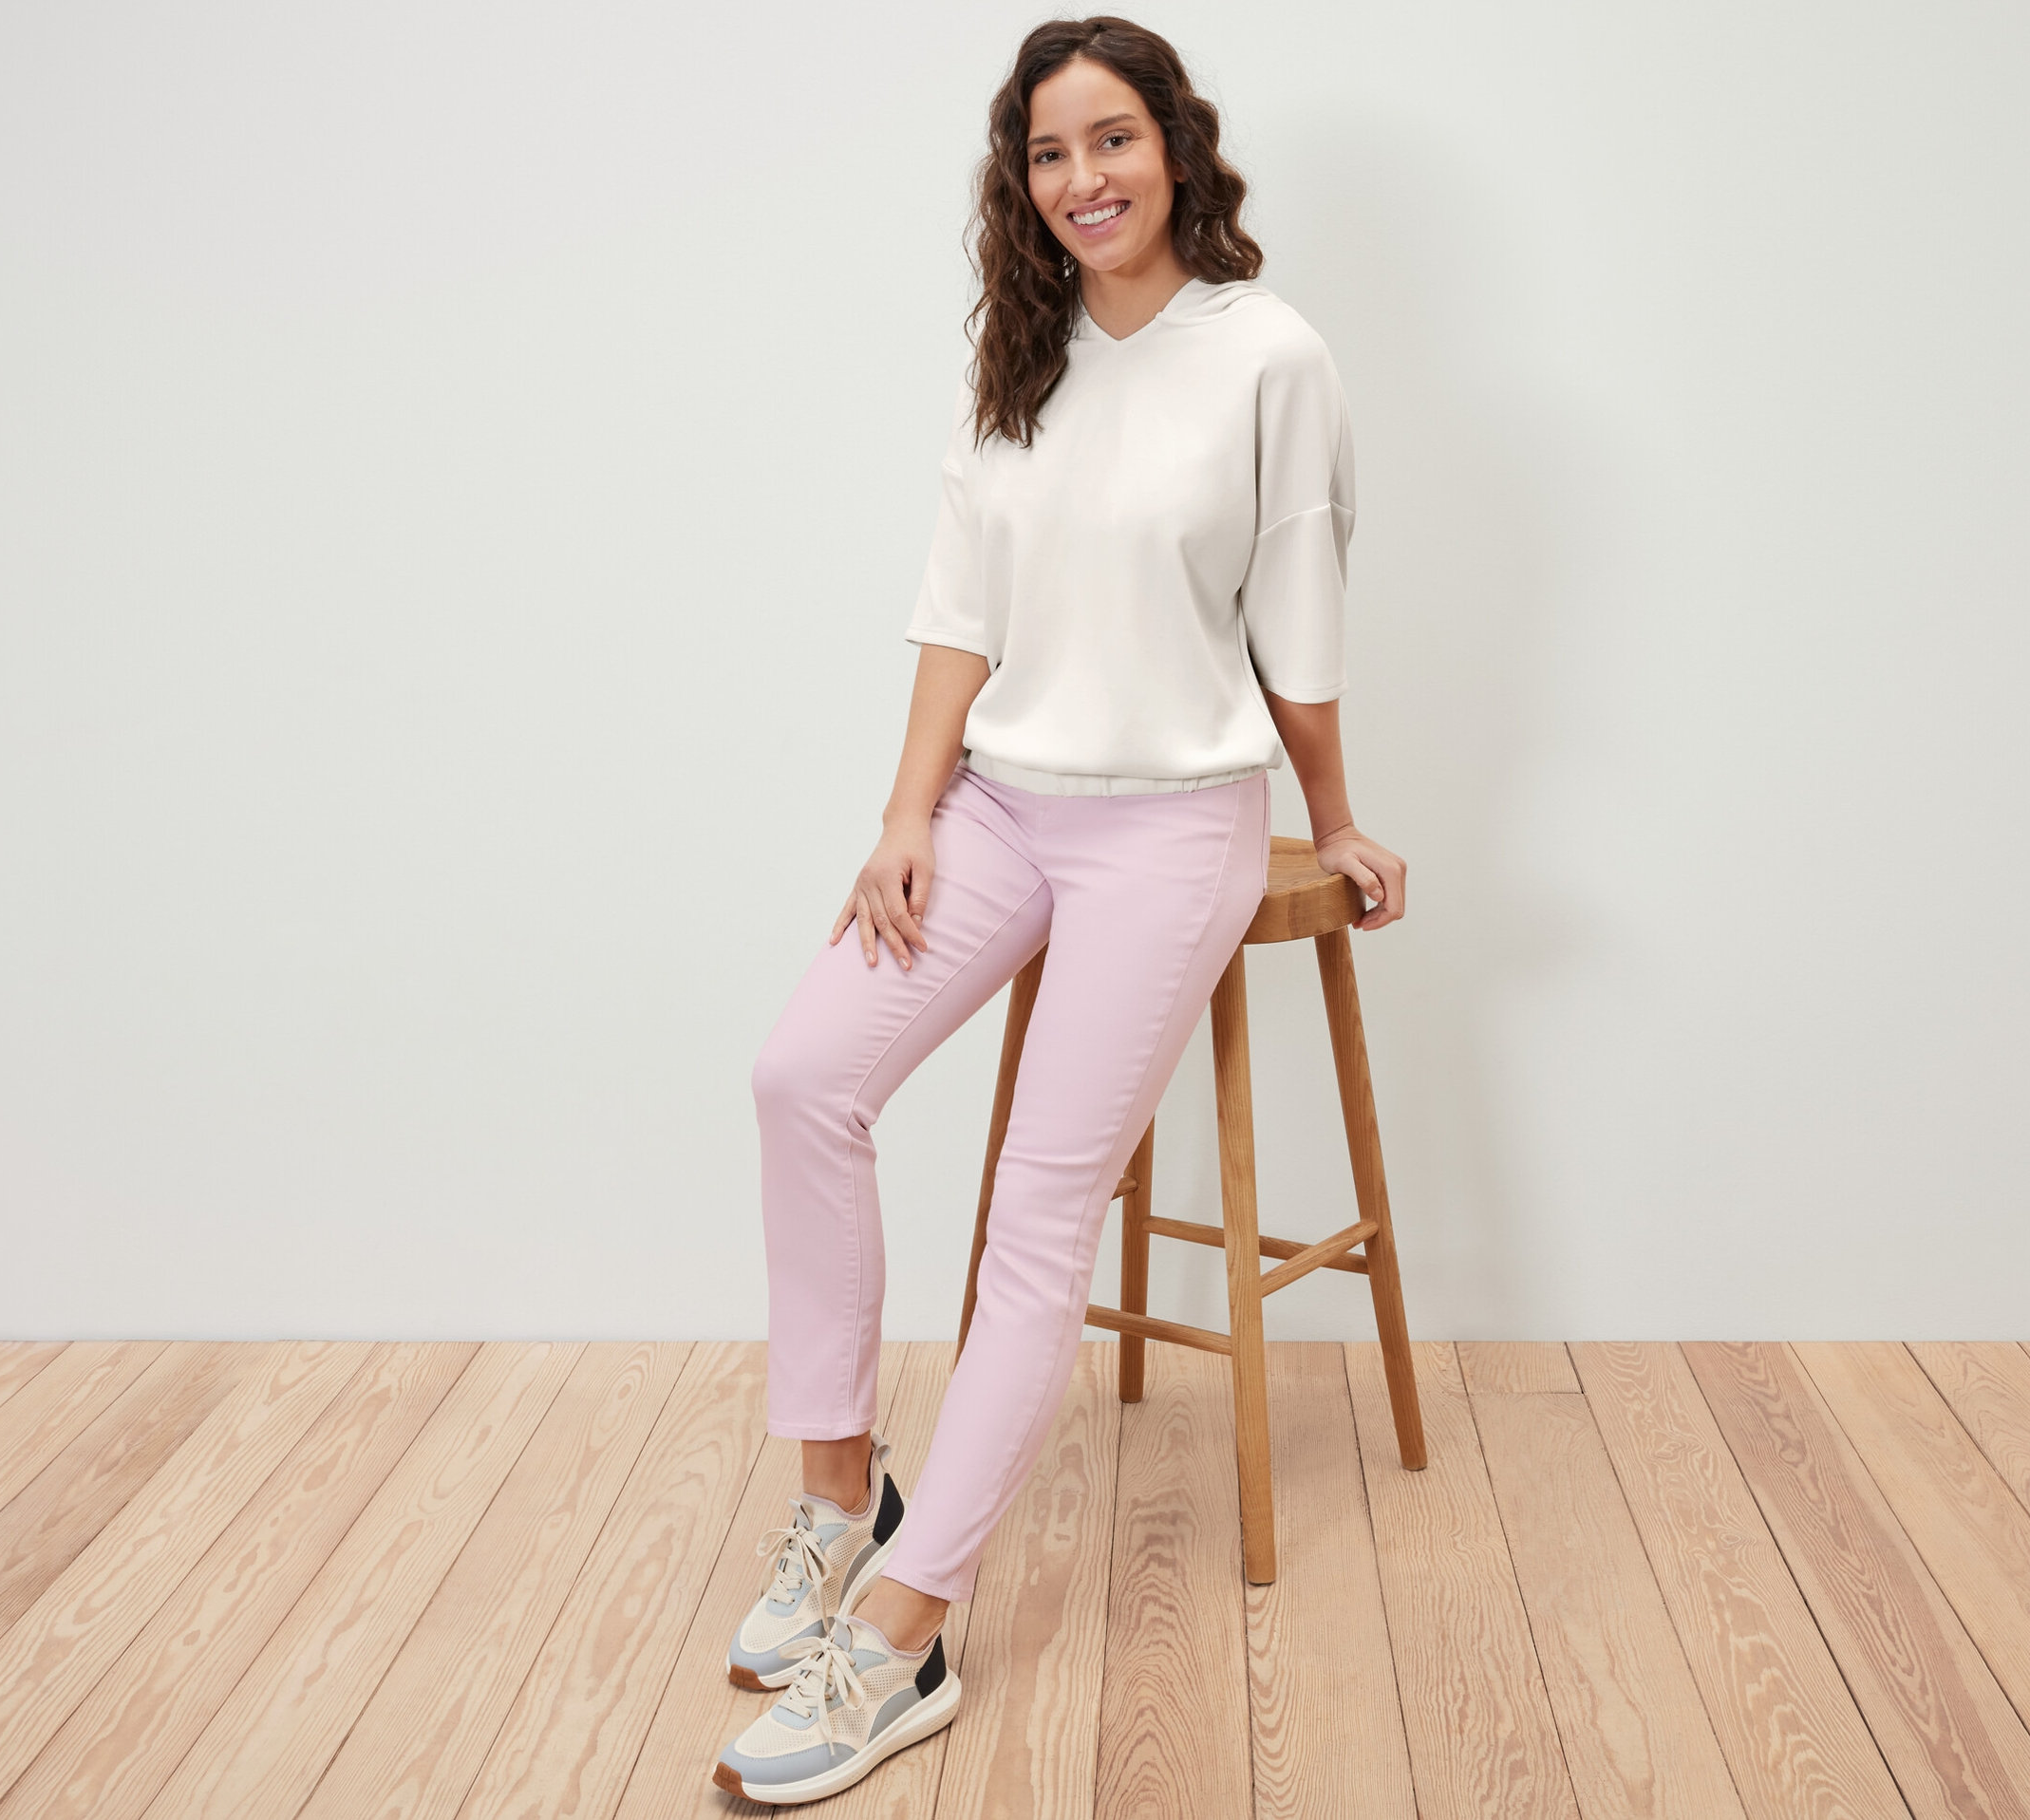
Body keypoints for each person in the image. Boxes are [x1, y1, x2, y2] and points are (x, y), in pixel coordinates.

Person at [711, 14, 1407, 1805]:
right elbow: (963, 598)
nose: (1080, 180)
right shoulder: (1016, 354)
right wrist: (907, 810)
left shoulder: (1268, 355)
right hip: (1001, 807)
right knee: (806, 1076)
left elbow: (1299, 621)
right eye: (1044, 154)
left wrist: (1332, 821)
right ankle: (837, 1493)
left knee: (1034, 1210)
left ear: (1175, 146)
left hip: (1172, 826)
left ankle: (908, 1629)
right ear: (1015, 184)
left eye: (1110, 141)